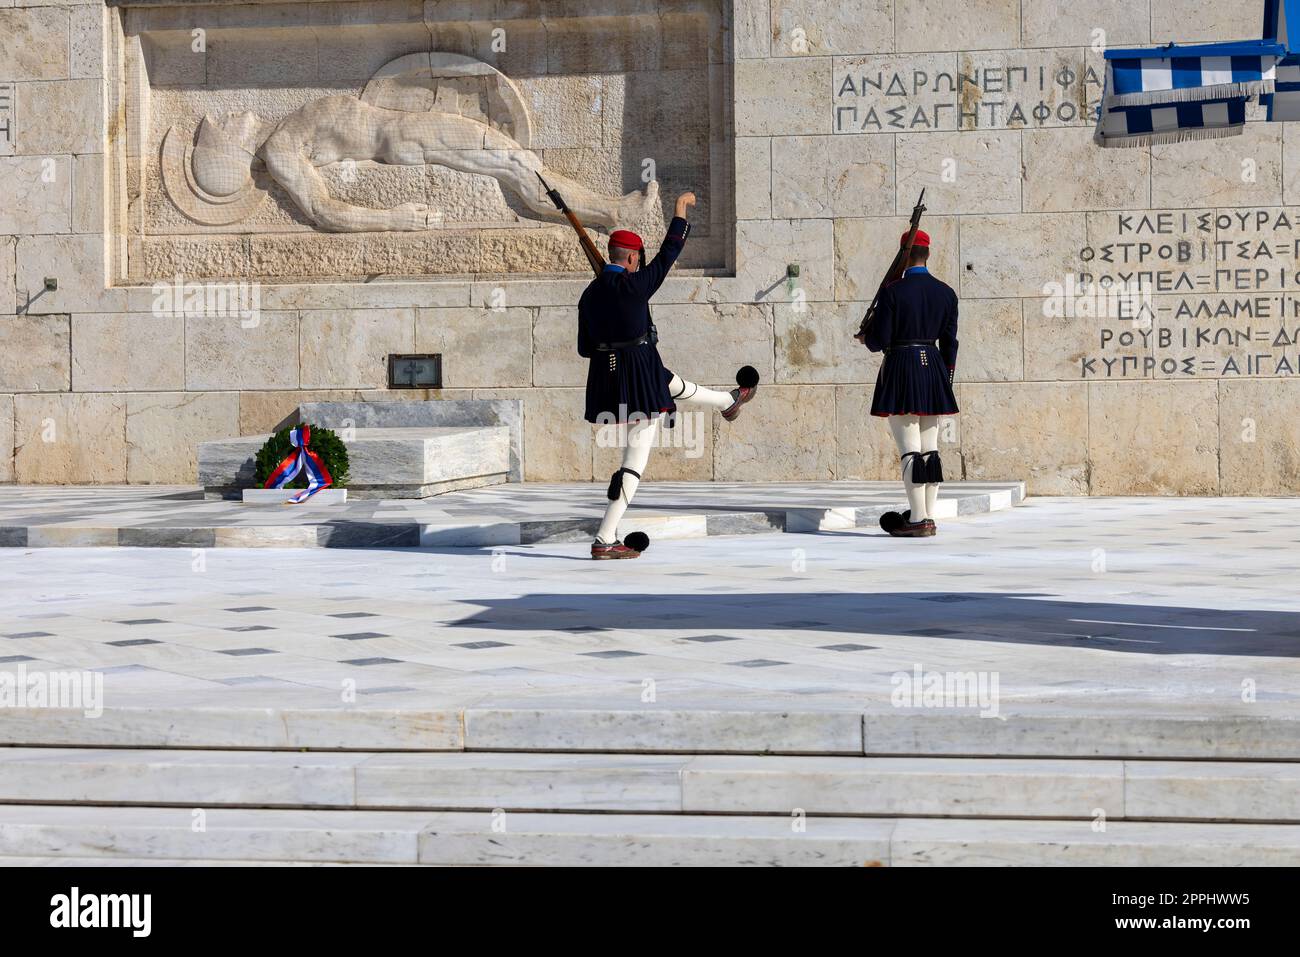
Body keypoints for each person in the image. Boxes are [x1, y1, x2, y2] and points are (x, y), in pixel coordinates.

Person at [578, 191, 760, 559]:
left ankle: (728, 401)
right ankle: (605, 538)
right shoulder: (636, 284)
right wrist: (679, 213)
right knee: (634, 460)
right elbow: (669, 254)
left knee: (669, 382)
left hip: (608, 377)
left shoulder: (589, 294)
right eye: (636, 260)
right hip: (638, 373)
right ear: (630, 258)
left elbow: (584, 348)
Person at [857, 230, 959, 538]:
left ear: (905, 254)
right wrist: (946, 378)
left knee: (910, 450)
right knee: (931, 449)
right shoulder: (946, 293)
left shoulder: (894, 291)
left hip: (903, 365)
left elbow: (880, 341)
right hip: (935, 368)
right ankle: (928, 515)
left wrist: (867, 337)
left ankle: (917, 517)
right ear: (928, 254)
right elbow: (950, 343)